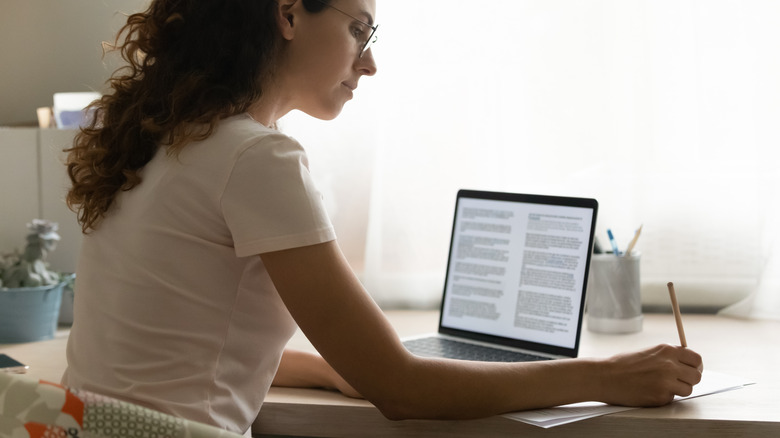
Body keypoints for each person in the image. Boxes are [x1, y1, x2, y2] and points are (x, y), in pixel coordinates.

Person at [61, 0, 703, 435]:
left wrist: (338, 370)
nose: (369, 62)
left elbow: (178, 347)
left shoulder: (168, 139)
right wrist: (605, 375)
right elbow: (401, 389)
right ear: (287, 13)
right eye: (358, 30)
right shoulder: (257, 158)